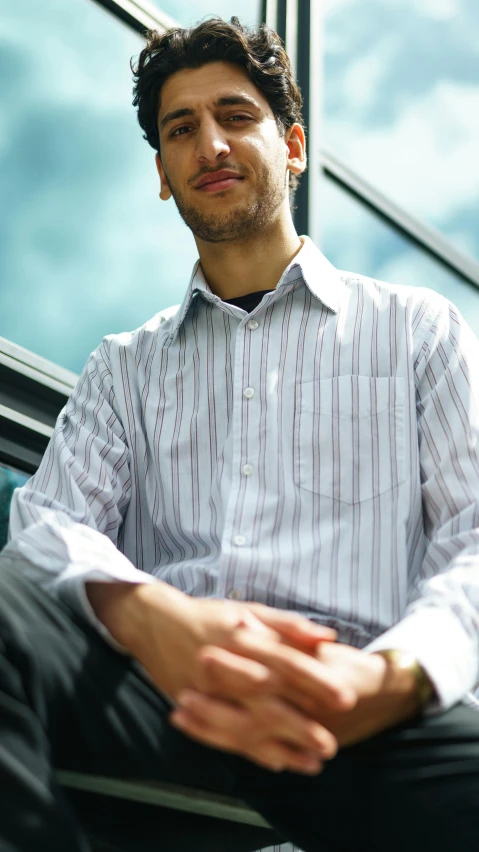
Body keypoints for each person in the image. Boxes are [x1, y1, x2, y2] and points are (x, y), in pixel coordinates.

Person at [1, 14, 479, 852]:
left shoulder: (418, 330)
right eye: (181, 129)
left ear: (293, 145)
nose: (209, 144)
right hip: (163, 696)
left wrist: (387, 677)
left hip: (360, 712)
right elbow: (46, 528)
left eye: (235, 116)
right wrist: (156, 622)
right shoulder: (124, 367)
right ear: (162, 174)